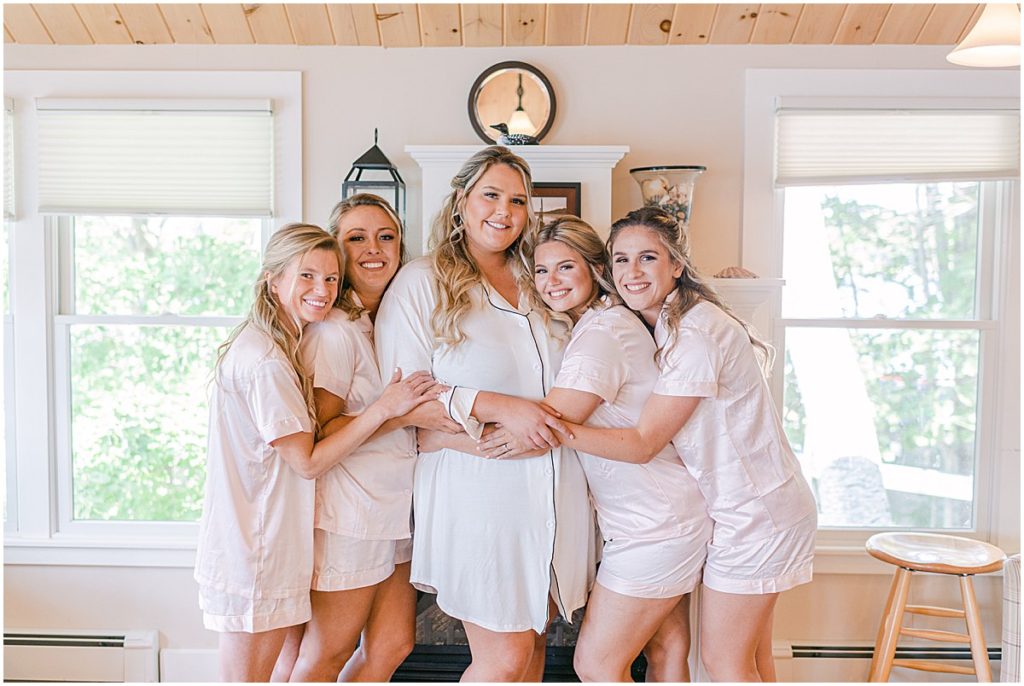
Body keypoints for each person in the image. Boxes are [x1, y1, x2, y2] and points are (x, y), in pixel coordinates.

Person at [486, 206, 818, 682]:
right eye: (622, 260)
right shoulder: (659, 322)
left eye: (647, 258)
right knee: (748, 663)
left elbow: (643, 442)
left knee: (721, 664)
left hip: (753, 512)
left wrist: (489, 415)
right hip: (736, 508)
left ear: (676, 265)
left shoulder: (692, 334)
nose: (632, 272)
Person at [422, 216, 713, 682]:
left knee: (597, 665)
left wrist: (439, 433)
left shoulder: (602, 334)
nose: (550, 282)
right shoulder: (595, 327)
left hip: (656, 526)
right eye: (540, 270)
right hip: (653, 519)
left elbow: (538, 430)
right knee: (666, 650)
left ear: (595, 269)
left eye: (565, 268)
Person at [375, 146, 596, 682]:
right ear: (461, 201)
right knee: (503, 659)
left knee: (533, 652)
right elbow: (407, 399)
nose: (505, 211)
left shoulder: (542, 279)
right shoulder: (420, 282)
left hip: (558, 490)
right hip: (478, 497)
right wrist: (501, 409)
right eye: (491, 195)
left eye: (518, 200)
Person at [193, 223, 440, 682]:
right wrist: (387, 408)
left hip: (271, 535)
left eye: (329, 278)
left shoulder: (284, 345)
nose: (321, 290)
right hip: (256, 543)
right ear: (273, 279)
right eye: (307, 276)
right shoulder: (267, 360)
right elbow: (307, 461)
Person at [279, 195, 460, 683]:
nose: (373, 249)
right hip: (350, 516)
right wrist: (398, 416)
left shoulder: (388, 321)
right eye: (356, 238)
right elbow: (322, 430)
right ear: (336, 250)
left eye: (386, 236)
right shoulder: (335, 332)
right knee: (327, 654)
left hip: (394, 513)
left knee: (392, 644)